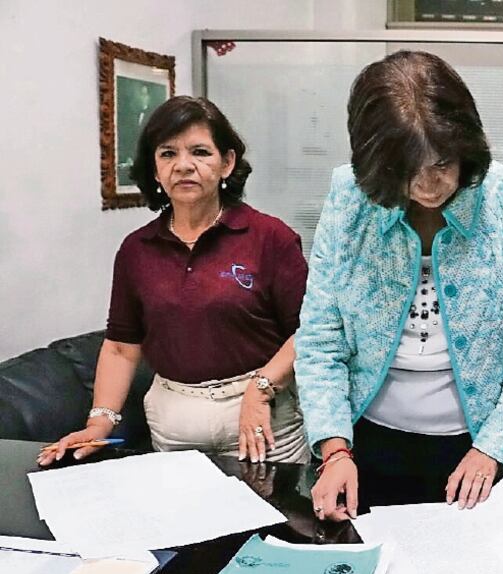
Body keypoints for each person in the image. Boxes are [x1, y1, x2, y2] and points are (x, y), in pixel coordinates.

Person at [296, 50, 503, 522]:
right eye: (407, 168)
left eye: (443, 162)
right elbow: (321, 337)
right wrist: (334, 449)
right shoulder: (349, 197)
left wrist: (494, 448)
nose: (428, 184)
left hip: (480, 442)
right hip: (366, 439)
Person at [40, 96, 309, 467]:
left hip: (260, 416)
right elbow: (121, 346)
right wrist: (100, 421)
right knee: (186, 522)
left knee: (272, 522)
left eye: (200, 152)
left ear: (227, 163)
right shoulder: (136, 250)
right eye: (168, 154)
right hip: (174, 419)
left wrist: (261, 389)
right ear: (154, 168)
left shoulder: (270, 238)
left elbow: (310, 330)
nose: (184, 166)